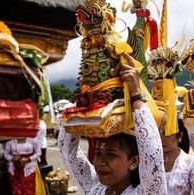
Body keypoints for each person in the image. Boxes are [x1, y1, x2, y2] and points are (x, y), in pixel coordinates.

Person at [58, 53, 167, 195]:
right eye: (98, 153)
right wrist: (85, 96)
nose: (100, 162)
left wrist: (135, 94)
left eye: (111, 155)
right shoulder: (95, 188)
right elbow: (68, 151)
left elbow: (152, 152)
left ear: (134, 161)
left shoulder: (146, 192)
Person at [158, 116, 194, 194]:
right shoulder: (151, 161)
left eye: (166, 133)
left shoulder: (191, 162)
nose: (161, 138)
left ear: (179, 136)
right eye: (158, 133)